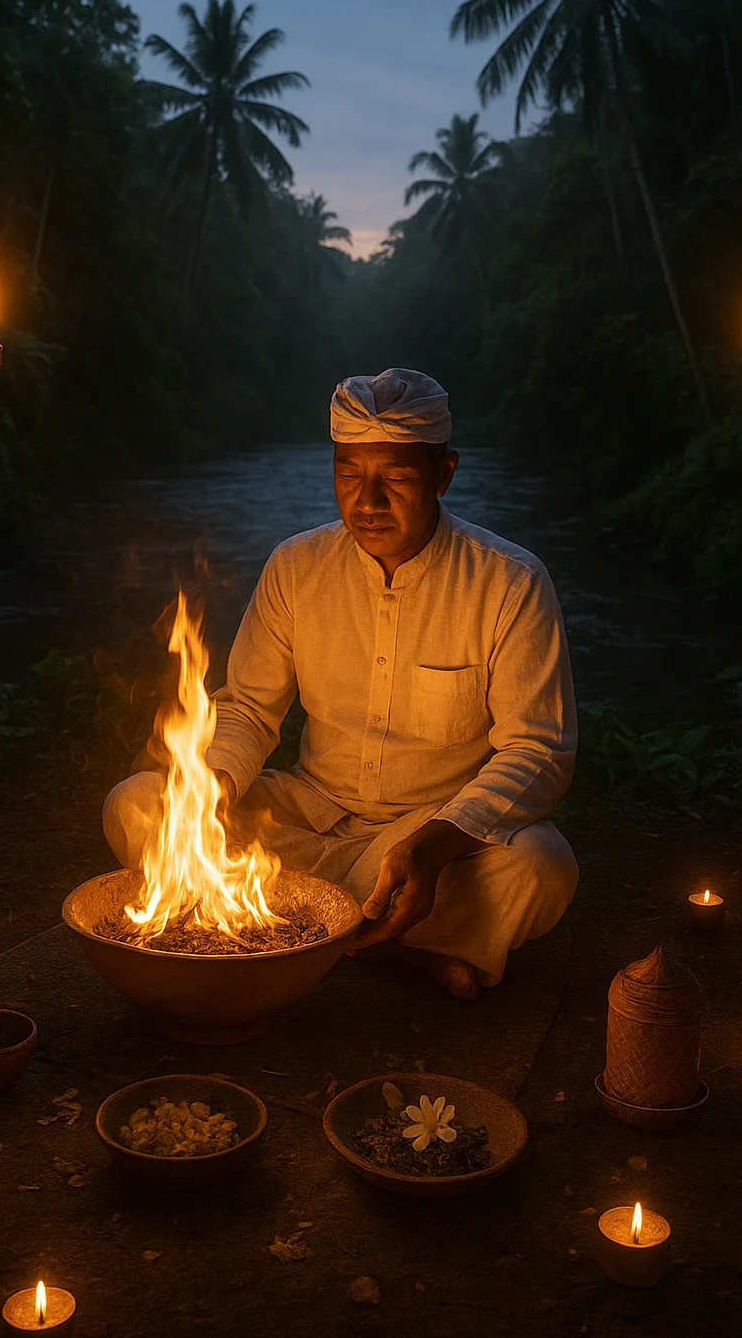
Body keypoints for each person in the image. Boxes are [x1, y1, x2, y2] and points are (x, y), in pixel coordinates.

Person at [104, 368, 578, 1000]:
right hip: (306, 815)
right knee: (137, 802)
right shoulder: (296, 569)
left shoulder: (511, 584)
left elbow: (538, 750)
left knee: (542, 868)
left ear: (445, 473)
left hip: (429, 831)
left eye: (397, 479)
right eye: (349, 475)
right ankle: (386, 946)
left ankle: (291, 926)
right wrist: (210, 792)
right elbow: (246, 708)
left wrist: (435, 847)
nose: (368, 501)